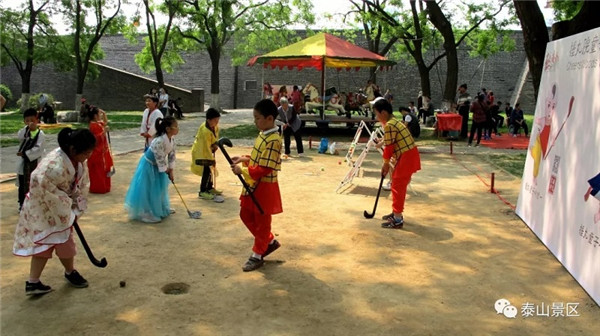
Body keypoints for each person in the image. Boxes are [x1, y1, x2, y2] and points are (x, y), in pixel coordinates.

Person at [13, 128, 96, 295]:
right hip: (43, 208)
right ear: (73, 149)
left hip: (59, 209)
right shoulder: (53, 166)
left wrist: (76, 204)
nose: (88, 156)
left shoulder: (76, 159)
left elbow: (80, 184)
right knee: (46, 245)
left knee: (63, 242)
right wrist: (68, 209)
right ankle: (36, 281)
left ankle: (63, 273)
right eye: (86, 153)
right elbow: (42, 188)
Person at [230, 99, 283, 272]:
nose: (255, 122)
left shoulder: (274, 139)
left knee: (262, 221)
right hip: (253, 183)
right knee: (245, 214)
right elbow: (257, 158)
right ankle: (268, 241)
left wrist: (242, 171)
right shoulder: (263, 134)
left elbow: (265, 168)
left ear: (269, 118)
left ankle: (257, 255)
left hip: (265, 187)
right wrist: (244, 159)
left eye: (257, 118)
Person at [373, 98, 421, 229]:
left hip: (407, 157)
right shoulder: (395, 121)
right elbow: (391, 144)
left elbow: (388, 147)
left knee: (398, 187)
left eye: (377, 114)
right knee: (397, 185)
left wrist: (385, 164)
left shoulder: (389, 125)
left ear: (383, 113)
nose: (376, 117)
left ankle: (398, 218)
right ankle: (396, 213)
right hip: (408, 155)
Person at [125, 116, 178, 223]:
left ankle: (161, 207)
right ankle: (146, 212)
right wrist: (166, 170)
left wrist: (171, 170)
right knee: (148, 188)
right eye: (175, 127)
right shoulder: (158, 141)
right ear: (168, 129)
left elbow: (172, 155)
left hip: (159, 166)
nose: (177, 129)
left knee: (160, 188)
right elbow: (160, 159)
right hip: (149, 165)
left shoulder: (172, 140)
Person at [16, 108, 45, 211]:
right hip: (23, 164)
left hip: (34, 163)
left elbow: (38, 149)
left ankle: (33, 203)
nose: (30, 123)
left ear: (37, 120)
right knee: (22, 184)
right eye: (27, 121)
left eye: (32, 120)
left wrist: (25, 153)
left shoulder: (40, 134)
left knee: (33, 184)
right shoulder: (24, 132)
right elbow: (19, 137)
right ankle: (22, 204)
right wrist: (27, 129)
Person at [191, 108, 223, 201]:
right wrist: (212, 160)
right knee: (206, 170)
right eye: (215, 120)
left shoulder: (215, 127)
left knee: (210, 170)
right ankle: (202, 191)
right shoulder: (205, 130)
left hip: (208, 150)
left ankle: (209, 187)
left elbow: (215, 138)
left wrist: (215, 145)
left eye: (218, 120)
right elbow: (205, 146)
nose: (217, 122)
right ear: (209, 120)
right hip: (201, 152)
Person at [87, 105, 114, 194]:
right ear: (95, 115)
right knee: (98, 171)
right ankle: (98, 188)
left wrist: (104, 114)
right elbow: (94, 138)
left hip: (103, 151)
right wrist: (104, 132)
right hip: (97, 152)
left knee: (105, 169)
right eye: (99, 114)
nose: (100, 115)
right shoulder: (93, 125)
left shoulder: (98, 123)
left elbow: (105, 122)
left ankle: (105, 186)